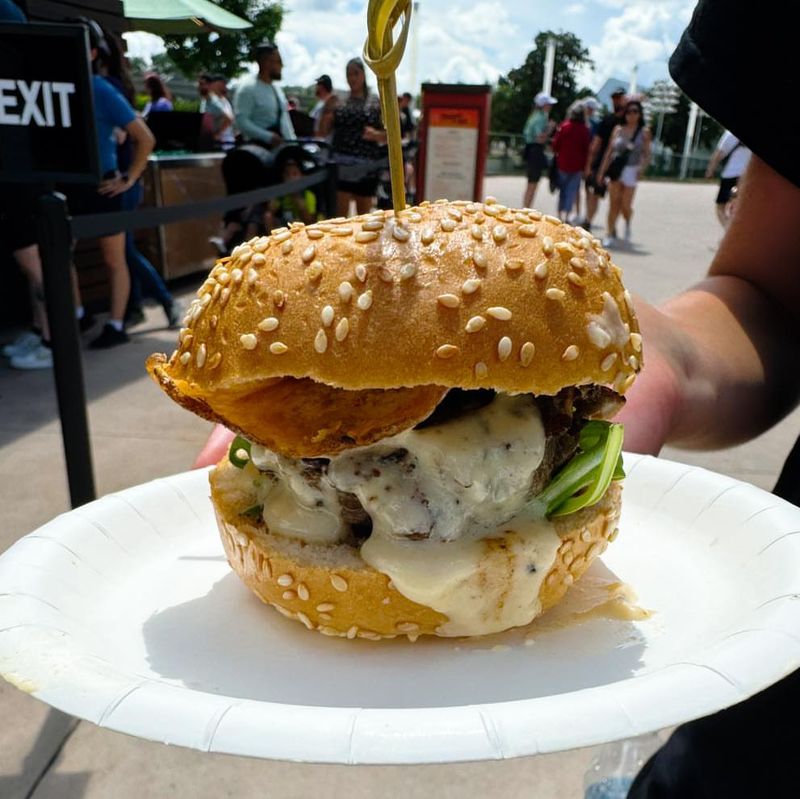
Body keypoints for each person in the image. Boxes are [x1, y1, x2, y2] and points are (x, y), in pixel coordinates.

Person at [66, 18, 155, 348]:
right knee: (61, 258)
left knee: (114, 259)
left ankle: (116, 325)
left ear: (91, 53)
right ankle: (77, 314)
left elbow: (144, 138)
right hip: (67, 188)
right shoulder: (55, 88)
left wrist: (128, 179)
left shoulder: (101, 89)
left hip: (103, 187)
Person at [101, 32, 180, 330]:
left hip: (121, 182)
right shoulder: (119, 87)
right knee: (123, 252)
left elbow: (130, 136)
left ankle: (166, 300)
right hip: (122, 182)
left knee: (125, 252)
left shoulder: (108, 88)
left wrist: (129, 177)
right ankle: (134, 306)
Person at [318, 57, 386, 217]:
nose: (352, 78)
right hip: (341, 167)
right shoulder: (338, 100)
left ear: (363, 74)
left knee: (364, 223)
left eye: (356, 73)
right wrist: (327, 111)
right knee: (340, 221)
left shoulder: (376, 101)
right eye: (349, 74)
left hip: (367, 168)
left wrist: (376, 135)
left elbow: (391, 135)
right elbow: (323, 132)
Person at [596, 98, 651, 248]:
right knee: (614, 203)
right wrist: (601, 172)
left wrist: (642, 168)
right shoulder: (618, 129)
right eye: (628, 112)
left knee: (626, 205)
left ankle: (627, 222)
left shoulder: (644, 132)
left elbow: (647, 153)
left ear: (639, 114)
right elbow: (609, 151)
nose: (631, 115)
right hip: (615, 170)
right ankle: (610, 232)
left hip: (632, 170)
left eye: (635, 112)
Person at [233, 41, 296, 149]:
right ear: (266, 62)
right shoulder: (247, 88)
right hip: (256, 149)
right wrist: (268, 137)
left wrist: (293, 145)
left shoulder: (277, 90)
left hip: (279, 149)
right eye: (278, 61)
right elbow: (241, 122)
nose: (282, 65)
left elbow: (285, 123)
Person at [583, 87, 627, 231]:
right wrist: (589, 165)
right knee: (594, 192)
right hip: (602, 161)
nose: (617, 100)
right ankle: (588, 220)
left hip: (620, 165)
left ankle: (611, 226)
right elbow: (596, 143)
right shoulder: (608, 120)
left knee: (616, 197)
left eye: (619, 97)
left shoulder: (631, 120)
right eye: (615, 97)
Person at [551, 101, 591, 222]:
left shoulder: (564, 126)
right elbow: (586, 150)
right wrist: (585, 167)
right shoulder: (585, 130)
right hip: (577, 166)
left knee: (562, 190)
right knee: (572, 191)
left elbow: (555, 145)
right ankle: (567, 215)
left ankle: (559, 214)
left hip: (563, 163)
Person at [705, 129, 751, 229]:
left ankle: (729, 230)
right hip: (747, 176)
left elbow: (718, 154)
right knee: (742, 206)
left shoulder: (730, 134)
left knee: (720, 206)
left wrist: (710, 170)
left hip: (730, 175)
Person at [521, 92, 557, 209]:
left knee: (531, 182)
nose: (550, 106)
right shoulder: (540, 118)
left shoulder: (534, 116)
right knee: (533, 183)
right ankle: (526, 209)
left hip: (531, 150)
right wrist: (550, 129)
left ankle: (526, 207)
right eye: (548, 104)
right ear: (543, 105)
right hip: (535, 151)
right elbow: (540, 138)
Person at [264, 159, 318, 230]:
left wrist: (297, 198)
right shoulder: (281, 194)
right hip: (284, 225)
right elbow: (271, 210)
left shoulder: (308, 195)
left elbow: (310, 221)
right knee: (267, 216)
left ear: (302, 176)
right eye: (287, 174)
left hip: (302, 225)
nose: (291, 178)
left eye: (294, 174)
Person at [199, 72, 235, 149]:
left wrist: (217, 134)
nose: (199, 87)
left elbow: (229, 118)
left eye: (202, 84)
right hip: (216, 142)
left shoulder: (215, 101)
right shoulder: (206, 101)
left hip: (221, 143)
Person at [311, 74, 334, 140]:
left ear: (322, 87)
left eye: (318, 84)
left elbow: (318, 129)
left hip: (322, 144)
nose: (316, 86)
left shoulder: (328, 104)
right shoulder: (320, 103)